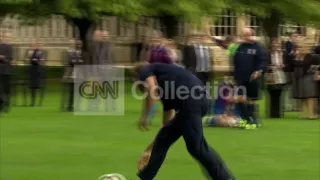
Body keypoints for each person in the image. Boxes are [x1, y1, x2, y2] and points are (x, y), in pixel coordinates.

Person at [133, 63, 234, 180]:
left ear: (137, 75)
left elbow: (151, 89)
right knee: (163, 138)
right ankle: (145, 177)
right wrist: (148, 150)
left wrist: (144, 118)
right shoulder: (165, 85)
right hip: (196, 100)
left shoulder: (146, 69)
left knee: (196, 147)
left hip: (192, 100)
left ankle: (225, 178)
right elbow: (166, 124)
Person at [233, 28, 267, 129]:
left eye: (248, 34)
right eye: (244, 35)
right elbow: (235, 62)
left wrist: (259, 71)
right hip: (240, 77)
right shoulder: (240, 47)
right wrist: (233, 75)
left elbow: (263, 61)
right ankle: (245, 118)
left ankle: (253, 119)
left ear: (252, 35)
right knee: (240, 98)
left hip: (253, 77)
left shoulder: (258, 47)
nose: (246, 37)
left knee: (252, 99)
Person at [265, 38, 286, 118]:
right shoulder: (268, 53)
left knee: (279, 94)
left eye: (278, 44)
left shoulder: (283, 53)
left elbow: (287, 63)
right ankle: (272, 113)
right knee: (272, 94)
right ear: (272, 45)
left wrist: (283, 65)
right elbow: (265, 64)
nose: (276, 45)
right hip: (271, 75)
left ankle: (277, 113)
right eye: (274, 43)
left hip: (281, 76)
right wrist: (271, 66)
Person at [26, 40, 46, 106]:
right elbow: (31, 59)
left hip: (40, 71)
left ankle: (40, 102)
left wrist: (37, 60)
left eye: (40, 44)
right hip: (33, 70)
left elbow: (43, 61)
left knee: (40, 87)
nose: (39, 46)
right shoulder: (34, 51)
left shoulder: (43, 52)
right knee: (33, 87)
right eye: (38, 44)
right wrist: (34, 60)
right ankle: (33, 102)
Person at [0, 32, 13, 113]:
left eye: (9, 37)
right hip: (0, 70)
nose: (7, 38)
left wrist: (4, 58)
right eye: (6, 37)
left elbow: (11, 58)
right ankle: (2, 104)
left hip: (7, 70)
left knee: (6, 89)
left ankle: (7, 105)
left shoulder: (11, 47)